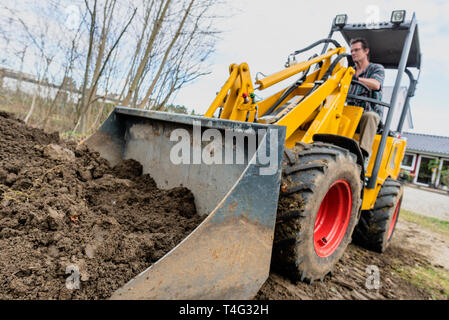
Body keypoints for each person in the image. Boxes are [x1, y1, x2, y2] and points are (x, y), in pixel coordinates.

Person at [347, 37, 385, 167]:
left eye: (357, 50)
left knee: (371, 116)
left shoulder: (376, 68)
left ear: (366, 51)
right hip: (350, 114)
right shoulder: (348, 71)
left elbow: (376, 84)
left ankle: (362, 157)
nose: (353, 53)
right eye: (351, 51)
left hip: (366, 116)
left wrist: (357, 79)